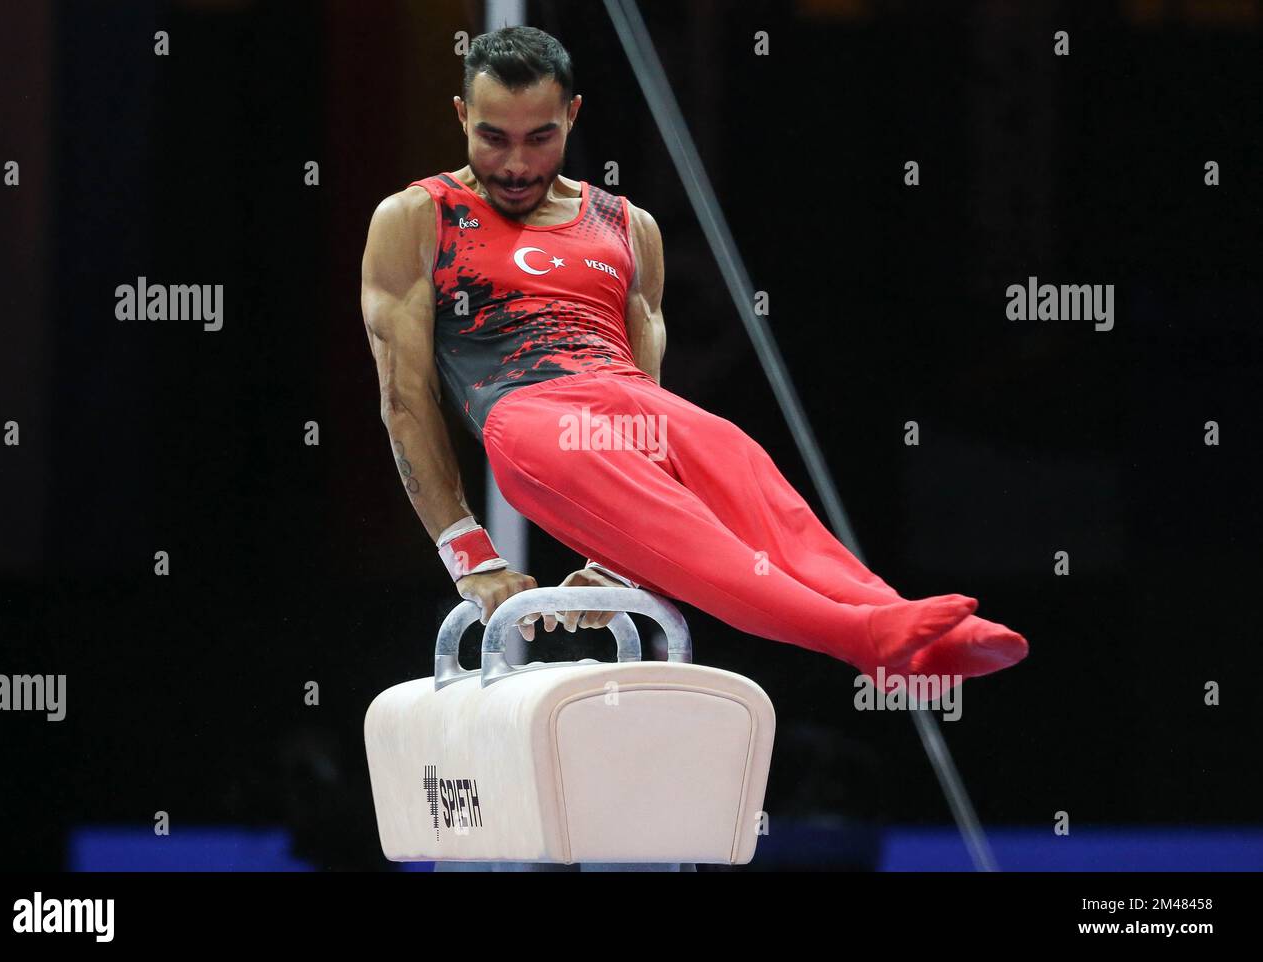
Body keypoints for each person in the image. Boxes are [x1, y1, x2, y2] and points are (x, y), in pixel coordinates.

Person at [360, 25, 1027, 690]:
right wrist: (470, 554)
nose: (515, 165)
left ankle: (896, 612)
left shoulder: (625, 226)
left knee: (747, 472)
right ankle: (860, 638)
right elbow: (404, 398)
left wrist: (615, 560)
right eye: (492, 137)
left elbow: (645, 401)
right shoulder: (420, 217)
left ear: (573, 115)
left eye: (540, 137)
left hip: (630, 398)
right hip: (529, 413)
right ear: (460, 116)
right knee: (700, 542)